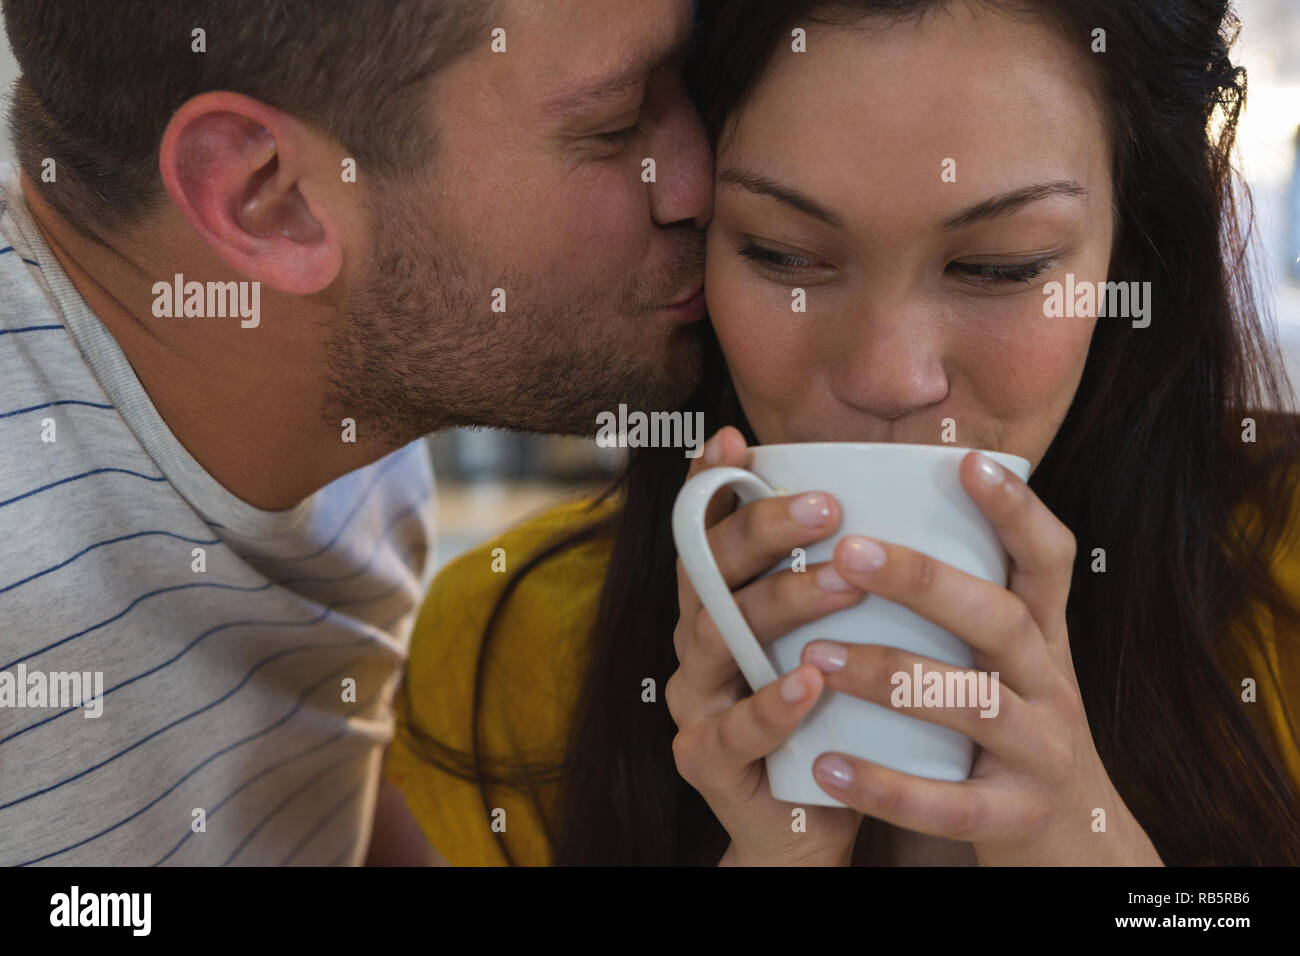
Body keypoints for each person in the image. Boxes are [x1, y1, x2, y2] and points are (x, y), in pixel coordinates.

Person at [388, 0, 1300, 865]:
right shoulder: (499, 663)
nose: (889, 378)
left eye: (999, 266)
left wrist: (1082, 840)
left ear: (1128, 258)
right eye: (783, 255)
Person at [0, 0, 710, 866]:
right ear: (273, 201)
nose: (699, 185)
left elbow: (322, 802)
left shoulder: (353, 395)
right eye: (617, 124)